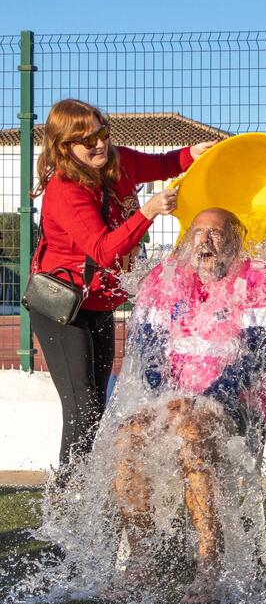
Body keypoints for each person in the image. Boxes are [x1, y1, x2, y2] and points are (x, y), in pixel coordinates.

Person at [29, 98, 215, 469]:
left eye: (102, 132)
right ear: (65, 147)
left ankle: (87, 494)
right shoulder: (66, 190)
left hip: (99, 305)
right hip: (63, 310)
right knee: (82, 408)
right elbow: (103, 250)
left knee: (97, 404)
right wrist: (147, 212)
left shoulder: (118, 161)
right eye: (87, 140)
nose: (99, 143)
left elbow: (163, 164)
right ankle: (69, 501)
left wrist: (196, 151)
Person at [113, 208, 266, 604]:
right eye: (198, 231)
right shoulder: (165, 280)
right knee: (127, 437)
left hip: (234, 403)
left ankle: (209, 565)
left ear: (236, 242)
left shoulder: (257, 280)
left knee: (192, 433)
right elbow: (148, 350)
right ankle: (141, 564)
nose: (205, 240)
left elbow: (258, 355)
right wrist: (168, 397)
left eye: (216, 233)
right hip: (172, 400)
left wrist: (208, 399)